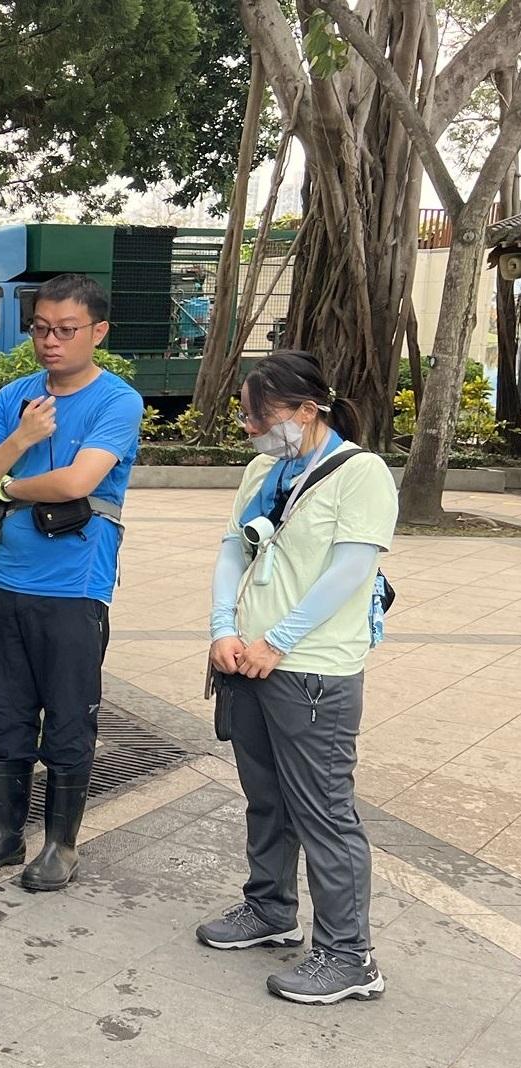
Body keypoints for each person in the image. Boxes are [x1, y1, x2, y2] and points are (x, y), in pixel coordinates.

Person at [197, 350, 397, 1005]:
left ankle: (349, 954)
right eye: (247, 416)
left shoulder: (361, 473)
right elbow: (234, 548)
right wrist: (222, 627)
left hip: (313, 671)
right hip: (246, 659)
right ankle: (270, 908)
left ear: (307, 411)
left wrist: (278, 642)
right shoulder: (264, 469)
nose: (250, 427)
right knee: (267, 798)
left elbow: (350, 569)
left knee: (324, 813)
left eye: (260, 416)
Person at [0, 274, 143, 891]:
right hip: (2, 579)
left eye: (65, 330)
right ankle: (4, 834)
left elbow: (76, 482)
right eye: (40, 329)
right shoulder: (16, 397)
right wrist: (22, 438)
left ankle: (61, 845)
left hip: (74, 586)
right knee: (5, 711)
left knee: (67, 717)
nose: (50, 341)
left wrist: (6, 485)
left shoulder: (118, 402)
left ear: (98, 331)